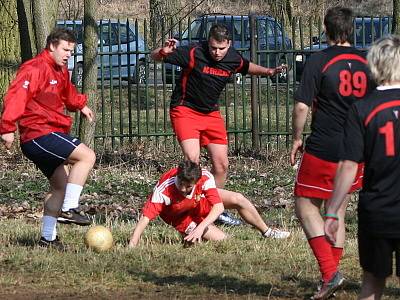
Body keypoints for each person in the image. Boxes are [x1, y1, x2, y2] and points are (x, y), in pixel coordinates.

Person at [151, 24, 285, 225]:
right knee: (192, 160)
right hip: (185, 110)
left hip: (211, 114)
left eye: (221, 48)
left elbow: (246, 66)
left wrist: (269, 71)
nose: (217, 52)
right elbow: (155, 57)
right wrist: (163, 51)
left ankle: (214, 209)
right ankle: (185, 209)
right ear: (209, 42)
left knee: (221, 165)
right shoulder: (194, 52)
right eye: (213, 47)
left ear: (229, 44)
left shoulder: (232, 57)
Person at [290, 7, 375, 299]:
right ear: (352, 30)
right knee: (336, 209)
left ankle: (329, 273)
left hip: (325, 145)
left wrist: (296, 138)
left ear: (325, 30)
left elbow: (302, 106)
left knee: (305, 204)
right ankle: (330, 278)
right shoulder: (367, 61)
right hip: (357, 148)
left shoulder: (319, 60)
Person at [0, 28, 96, 249]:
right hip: (38, 134)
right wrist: (7, 127)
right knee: (87, 156)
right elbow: (16, 97)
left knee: (59, 187)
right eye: (65, 49)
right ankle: (69, 208)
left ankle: (47, 239)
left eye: (71, 52)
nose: (68, 55)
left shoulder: (61, 70)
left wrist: (80, 105)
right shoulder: (34, 68)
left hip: (48, 133)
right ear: (52, 45)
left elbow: (68, 93)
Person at [325, 35, 400, 300]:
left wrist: (332, 211)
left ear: (375, 64)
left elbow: (348, 165)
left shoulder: (363, 108)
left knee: (372, 283)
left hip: (378, 210)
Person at [128, 161, 290, 247]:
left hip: (199, 203)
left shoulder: (204, 177)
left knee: (238, 198)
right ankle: (191, 232)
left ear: (197, 181)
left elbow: (218, 206)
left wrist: (201, 228)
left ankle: (268, 232)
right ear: (177, 176)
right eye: (181, 184)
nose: (183, 189)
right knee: (223, 241)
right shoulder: (164, 191)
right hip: (182, 217)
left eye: (188, 186)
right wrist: (132, 245)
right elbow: (145, 219)